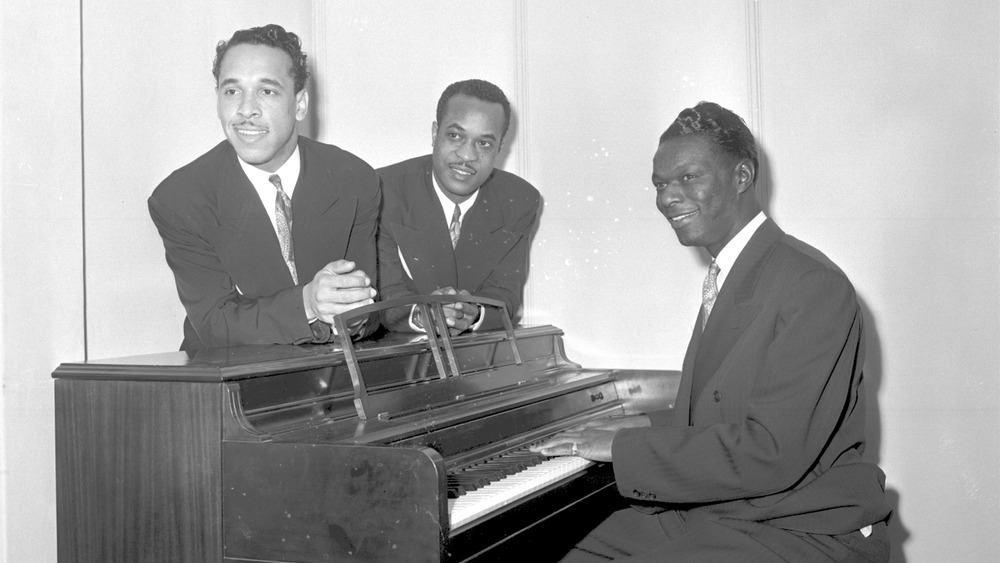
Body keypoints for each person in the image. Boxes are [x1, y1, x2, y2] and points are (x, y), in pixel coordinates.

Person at [532, 102, 891, 561]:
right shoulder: (733, 272)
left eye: (688, 178)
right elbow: (722, 414)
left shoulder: (812, 284)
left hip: (804, 526)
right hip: (731, 512)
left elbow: (771, 452)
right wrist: (634, 424)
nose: (667, 197)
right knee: (545, 549)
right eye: (660, 184)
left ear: (742, 177)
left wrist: (622, 446)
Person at [148, 24, 379, 352]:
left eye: (266, 91)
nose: (245, 110)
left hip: (333, 379)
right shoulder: (180, 198)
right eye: (232, 91)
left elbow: (367, 313)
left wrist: (354, 314)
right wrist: (309, 305)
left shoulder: (354, 179)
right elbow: (216, 325)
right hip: (226, 384)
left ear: (300, 105)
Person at [376, 79, 540, 334]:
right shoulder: (382, 190)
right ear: (434, 134)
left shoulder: (520, 201)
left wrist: (473, 315)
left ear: (500, 148)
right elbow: (385, 294)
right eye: (455, 136)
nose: (467, 156)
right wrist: (422, 315)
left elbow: (505, 296)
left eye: (484, 143)